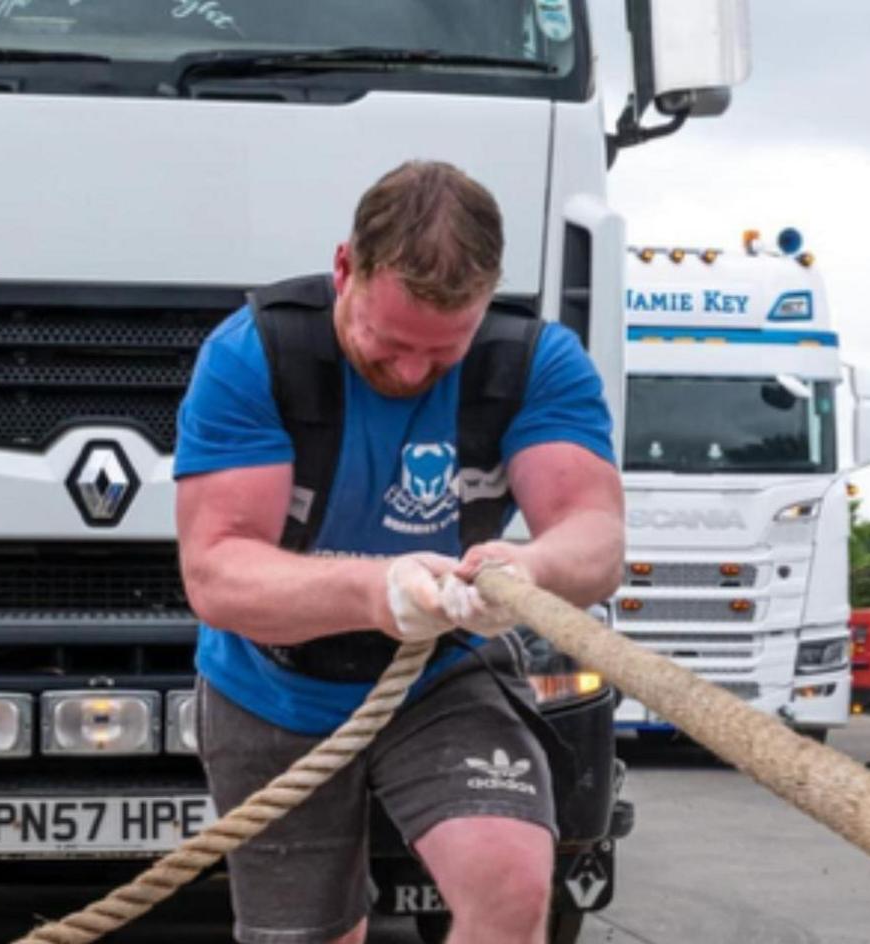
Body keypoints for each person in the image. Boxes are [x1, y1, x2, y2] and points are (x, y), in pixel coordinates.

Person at [174, 160, 623, 944]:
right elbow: (216, 573)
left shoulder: (538, 363)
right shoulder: (254, 354)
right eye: (386, 343)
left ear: (486, 303)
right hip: (271, 685)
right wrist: (382, 589)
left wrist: (527, 570)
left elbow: (594, 536)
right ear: (345, 267)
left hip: (441, 675)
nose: (412, 373)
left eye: (443, 352)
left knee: (512, 880)